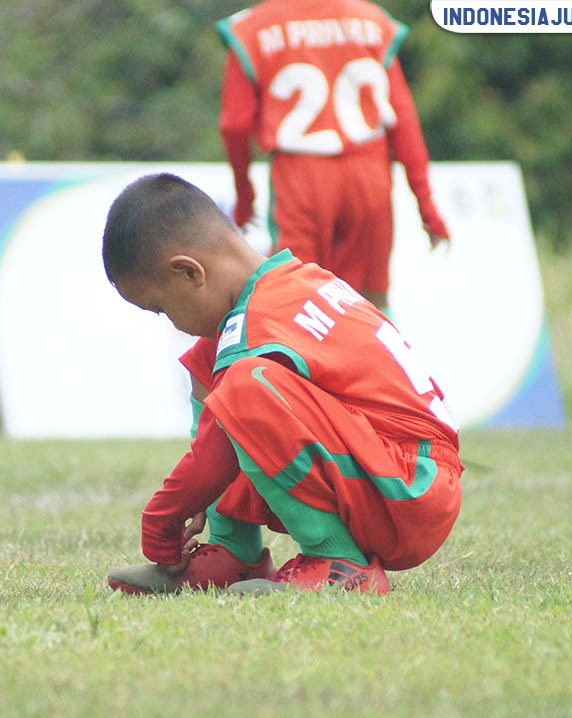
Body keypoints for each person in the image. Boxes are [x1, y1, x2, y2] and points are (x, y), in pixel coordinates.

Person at [103, 174, 462, 595]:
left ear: (189, 272)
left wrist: (161, 520)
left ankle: (341, 563)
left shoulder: (258, 323)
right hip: (400, 470)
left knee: (244, 386)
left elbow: (214, 456)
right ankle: (232, 555)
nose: (172, 322)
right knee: (213, 367)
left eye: (161, 309)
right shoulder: (292, 281)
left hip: (410, 487)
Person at [216, 0, 450, 311]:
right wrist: (428, 208)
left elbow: (234, 126)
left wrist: (245, 200)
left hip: (299, 177)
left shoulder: (252, 26)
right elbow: (403, 120)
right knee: (370, 305)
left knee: (297, 302)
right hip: (369, 174)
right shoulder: (372, 20)